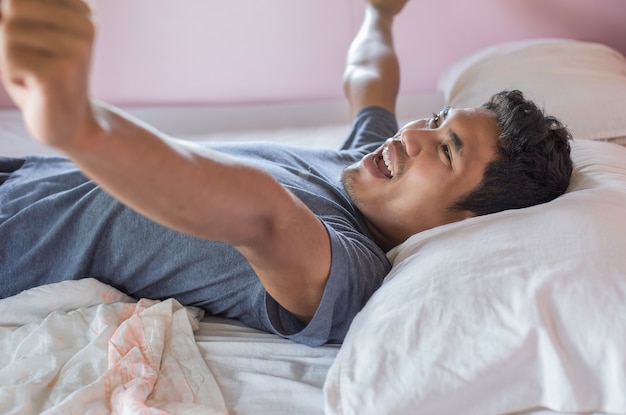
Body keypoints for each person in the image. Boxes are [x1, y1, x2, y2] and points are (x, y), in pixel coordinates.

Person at [0, 0, 572, 346]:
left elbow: (262, 212)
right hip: (22, 174)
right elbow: (370, 77)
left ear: (464, 221)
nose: (415, 134)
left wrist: (81, 125)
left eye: (446, 151)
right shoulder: (363, 166)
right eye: (437, 118)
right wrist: (381, 13)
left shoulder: (349, 267)